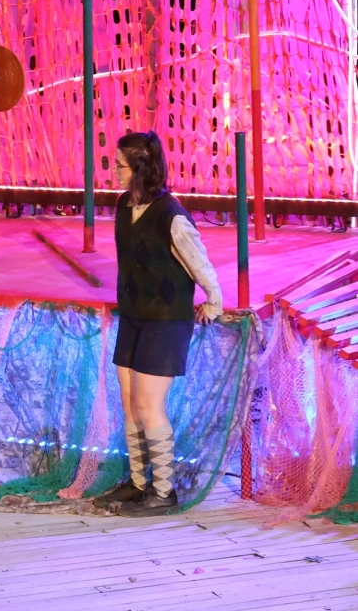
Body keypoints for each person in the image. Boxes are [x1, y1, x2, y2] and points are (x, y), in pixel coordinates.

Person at [91, 131, 224, 518]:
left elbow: (199, 262)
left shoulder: (172, 216)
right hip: (133, 313)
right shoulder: (123, 205)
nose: (114, 172)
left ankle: (163, 491)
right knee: (130, 403)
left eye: (120, 166)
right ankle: (137, 482)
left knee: (149, 405)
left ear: (139, 169)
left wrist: (213, 301)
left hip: (166, 319)